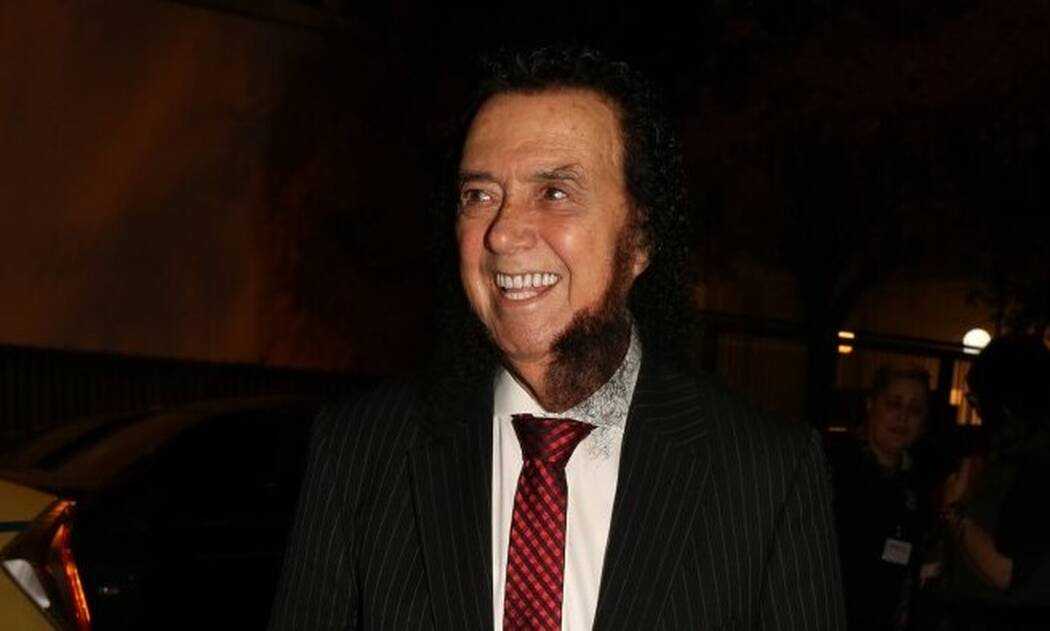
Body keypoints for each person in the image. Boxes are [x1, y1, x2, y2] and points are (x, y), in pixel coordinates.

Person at [269, 46, 845, 630]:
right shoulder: (362, 451)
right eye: (479, 195)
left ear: (640, 240)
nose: (503, 233)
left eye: (554, 192)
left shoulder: (766, 474)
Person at [933, 335, 1050, 629]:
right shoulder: (1006, 454)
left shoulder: (1035, 464)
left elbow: (1006, 572)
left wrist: (953, 511)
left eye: (978, 400)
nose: (975, 411)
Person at [826, 365, 934, 630]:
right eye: (894, 404)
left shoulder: (922, 482)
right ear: (871, 405)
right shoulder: (834, 468)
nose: (903, 417)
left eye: (915, 410)